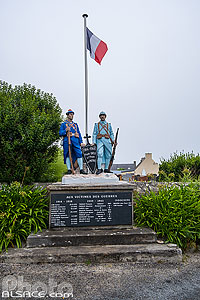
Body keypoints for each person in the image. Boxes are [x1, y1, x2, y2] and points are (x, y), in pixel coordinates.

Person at [59, 109, 87, 175]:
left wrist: (80, 142)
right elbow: (60, 133)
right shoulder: (64, 124)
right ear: (67, 115)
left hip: (75, 140)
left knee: (79, 153)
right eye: (70, 114)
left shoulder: (75, 125)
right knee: (68, 154)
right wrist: (66, 130)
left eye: (72, 114)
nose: (72, 116)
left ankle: (81, 169)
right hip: (67, 140)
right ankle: (69, 169)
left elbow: (79, 133)